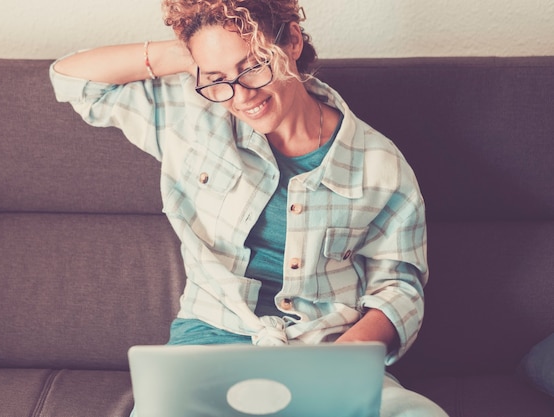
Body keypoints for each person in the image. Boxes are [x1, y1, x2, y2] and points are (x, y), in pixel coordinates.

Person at [50, 0, 448, 415]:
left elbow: (399, 286)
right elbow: (71, 79)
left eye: (254, 65)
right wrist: (190, 53)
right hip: (208, 344)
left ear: (292, 41)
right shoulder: (192, 117)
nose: (241, 96)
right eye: (219, 79)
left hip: (325, 347)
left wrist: (342, 359)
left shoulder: (379, 164)